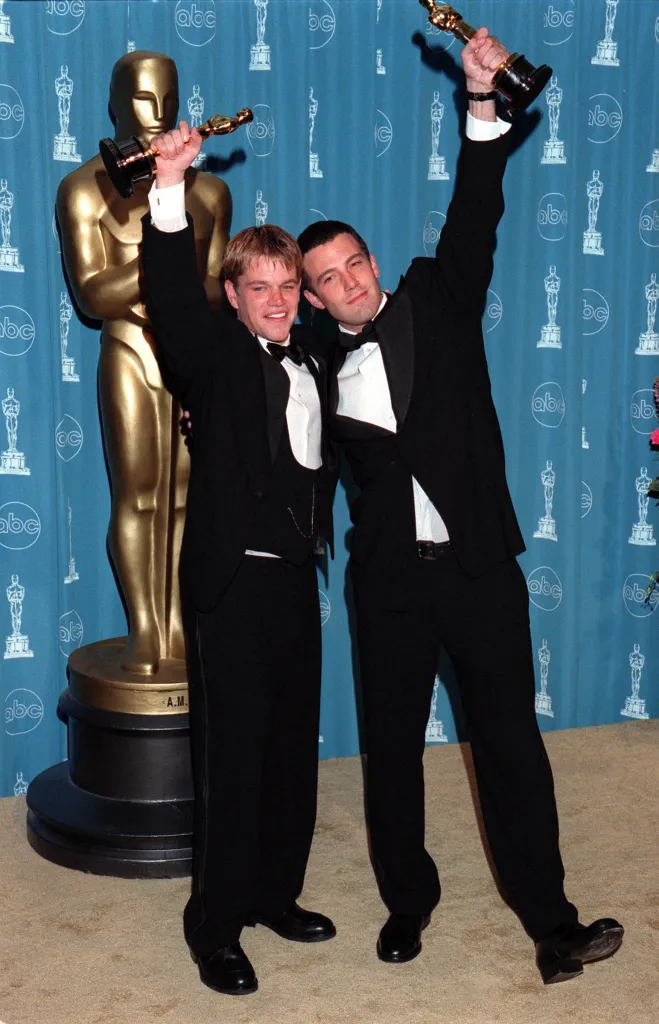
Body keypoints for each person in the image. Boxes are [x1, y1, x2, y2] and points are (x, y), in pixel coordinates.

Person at [298, 27, 623, 985]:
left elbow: (474, 207)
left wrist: (479, 102)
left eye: (356, 261)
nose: (351, 280)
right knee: (392, 758)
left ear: (371, 262)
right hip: (389, 587)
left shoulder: (437, 298)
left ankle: (551, 923)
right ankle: (408, 903)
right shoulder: (311, 362)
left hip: (480, 570)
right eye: (329, 279)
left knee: (511, 749)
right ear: (313, 302)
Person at [141, 121, 336, 996]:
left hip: (295, 581)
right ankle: (214, 924)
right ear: (233, 292)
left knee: (291, 748)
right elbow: (171, 305)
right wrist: (171, 184)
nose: (277, 300)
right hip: (230, 584)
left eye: (288, 286)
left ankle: (273, 895)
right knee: (233, 755)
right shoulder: (216, 355)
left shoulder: (313, 355)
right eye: (260, 286)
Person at [57, 51, 230, 676]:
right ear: (115, 102)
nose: (158, 114)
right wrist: (163, 260)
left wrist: (168, 269)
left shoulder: (210, 192)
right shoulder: (83, 189)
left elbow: (219, 289)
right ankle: (146, 631)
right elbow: (93, 295)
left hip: (193, 358)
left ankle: (177, 626)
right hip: (129, 352)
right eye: (142, 99)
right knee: (138, 497)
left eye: (168, 98)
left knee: (187, 496)